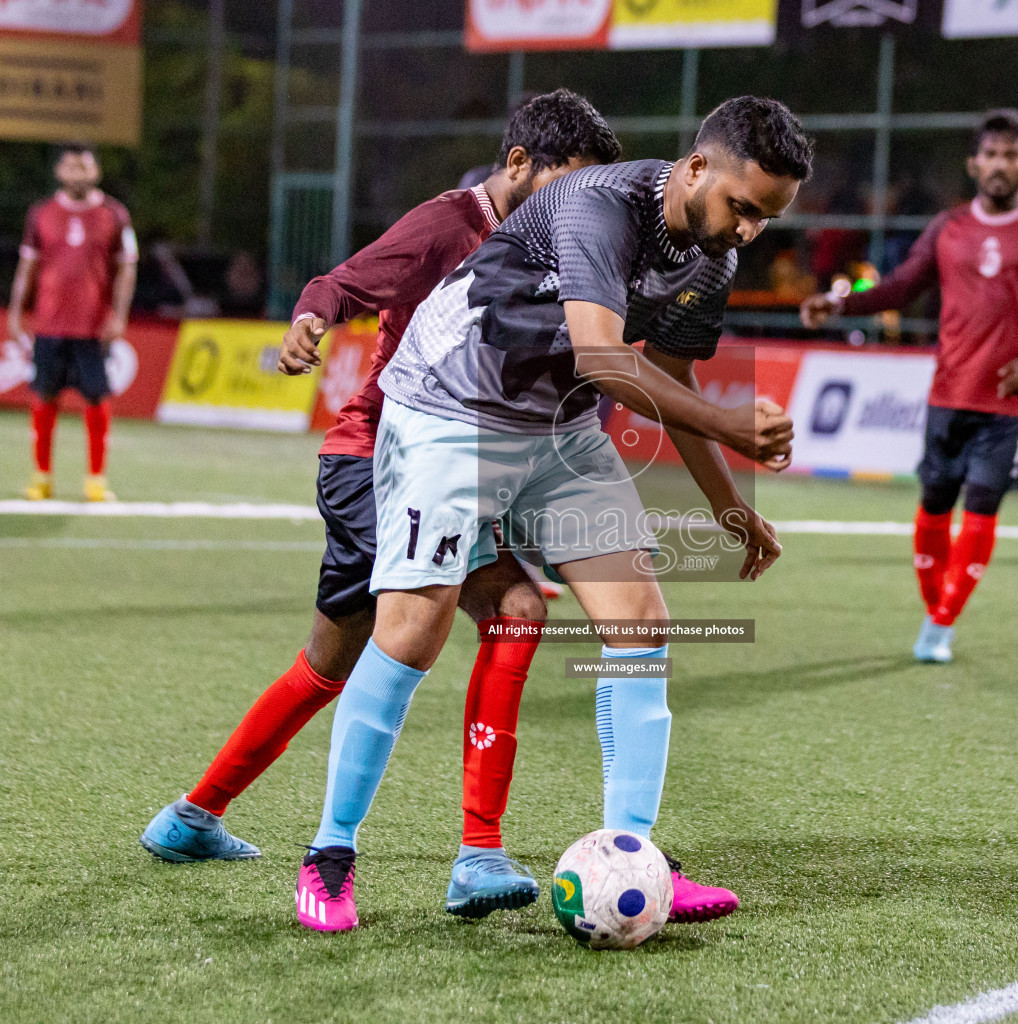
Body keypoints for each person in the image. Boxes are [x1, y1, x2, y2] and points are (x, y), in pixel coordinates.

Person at [294, 96, 811, 933]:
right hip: (449, 408)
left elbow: (670, 379)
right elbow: (608, 360)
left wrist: (729, 507)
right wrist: (734, 427)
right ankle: (330, 856)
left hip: (557, 425)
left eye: (766, 220)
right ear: (696, 168)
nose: (748, 232)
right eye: (742, 208)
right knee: (413, 630)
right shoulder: (596, 204)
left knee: (640, 620)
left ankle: (635, 856)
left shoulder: (713, 255)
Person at [140, 91, 623, 922]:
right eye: (564, 185)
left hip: (453, 466)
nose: (574, 205)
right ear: (517, 166)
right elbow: (343, 282)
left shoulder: (566, 243)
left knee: (333, 662)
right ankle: (431, 854)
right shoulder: (448, 226)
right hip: (376, 460)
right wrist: (307, 321)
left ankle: (192, 816)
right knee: (495, 612)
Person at [801, 109, 1018, 664]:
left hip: (1010, 401)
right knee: (934, 503)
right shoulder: (948, 226)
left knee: (981, 504)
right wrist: (840, 303)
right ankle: (937, 614)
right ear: (973, 163)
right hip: (949, 392)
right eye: (992, 154)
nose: (1001, 164)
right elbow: (903, 286)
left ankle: (941, 623)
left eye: (1013, 155)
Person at [8, 143, 137, 503]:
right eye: (71, 167)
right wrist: (17, 309)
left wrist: (119, 314)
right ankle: (41, 477)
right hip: (49, 324)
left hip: (92, 326)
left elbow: (127, 267)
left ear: (95, 171)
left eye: (84, 167)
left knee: (96, 397)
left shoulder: (114, 214)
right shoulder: (41, 213)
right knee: (44, 395)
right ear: (59, 172)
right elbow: (27, 265)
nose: (77, 173)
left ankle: (95, 480)